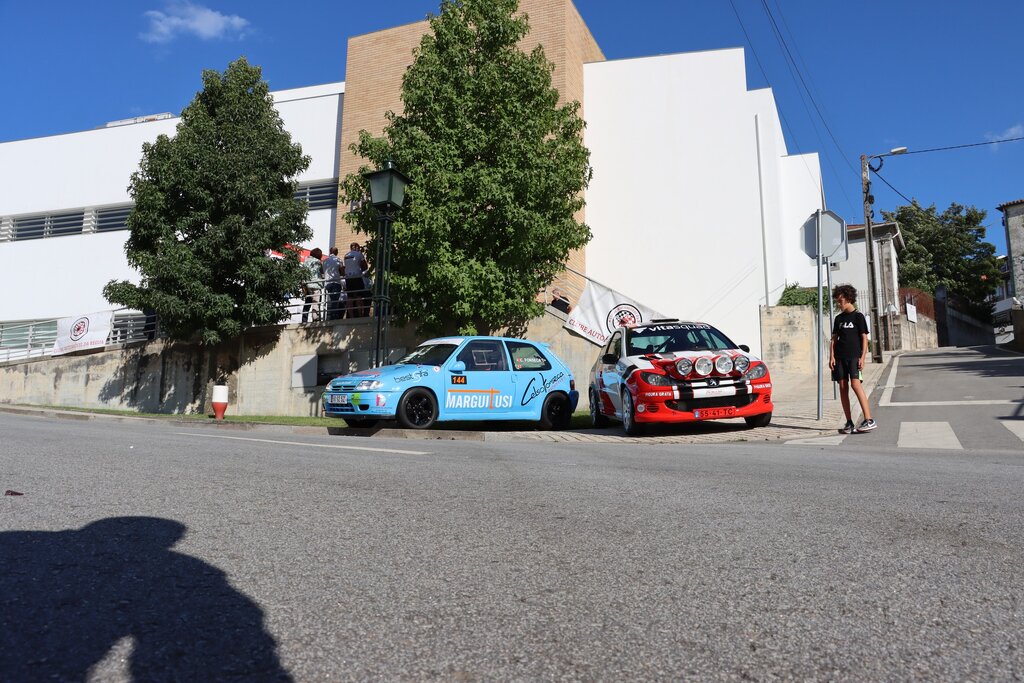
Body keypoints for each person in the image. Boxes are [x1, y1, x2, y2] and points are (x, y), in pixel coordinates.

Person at [829, 283, 877, 433]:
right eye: (837, 300)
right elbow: (833, 340)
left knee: (856, 385)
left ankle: (869, 419)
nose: (838, 303)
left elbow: (864, 339)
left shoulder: (858, 317)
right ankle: (849, 422)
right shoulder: (838, 319)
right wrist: (831, 357)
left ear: (848, 298)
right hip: (840, 358)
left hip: (854, 358)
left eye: (840, 300)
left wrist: (863, 357)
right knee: (843, 388)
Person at [343, 242, 370, 318]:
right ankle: (360, 314)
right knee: (359, 296)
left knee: (350, 297)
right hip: (357, 277)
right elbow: (365, 266)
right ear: (357, 247)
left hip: (348, 278)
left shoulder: (346, 255)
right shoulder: (359, 254)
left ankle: (351, 316)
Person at [301, 248, 324, 323]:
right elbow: (322, 272)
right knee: (316, 302)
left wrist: (303, 284)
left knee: (307, 303)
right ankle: (315, 319)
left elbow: (303, 272)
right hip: (316, 285)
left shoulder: (306, 260)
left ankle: (304, 320)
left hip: (307, 285)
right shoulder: (318, 262)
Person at [323, 246, 344, 321]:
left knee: (331, 300)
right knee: (335, 301)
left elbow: (322, 272)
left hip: (327, 283)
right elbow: (342, 272)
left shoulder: (325, 261)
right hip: (335, 282)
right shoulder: (338, 260)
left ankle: (330, 316)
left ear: (330, 252)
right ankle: (333, 317)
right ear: (336, 252)